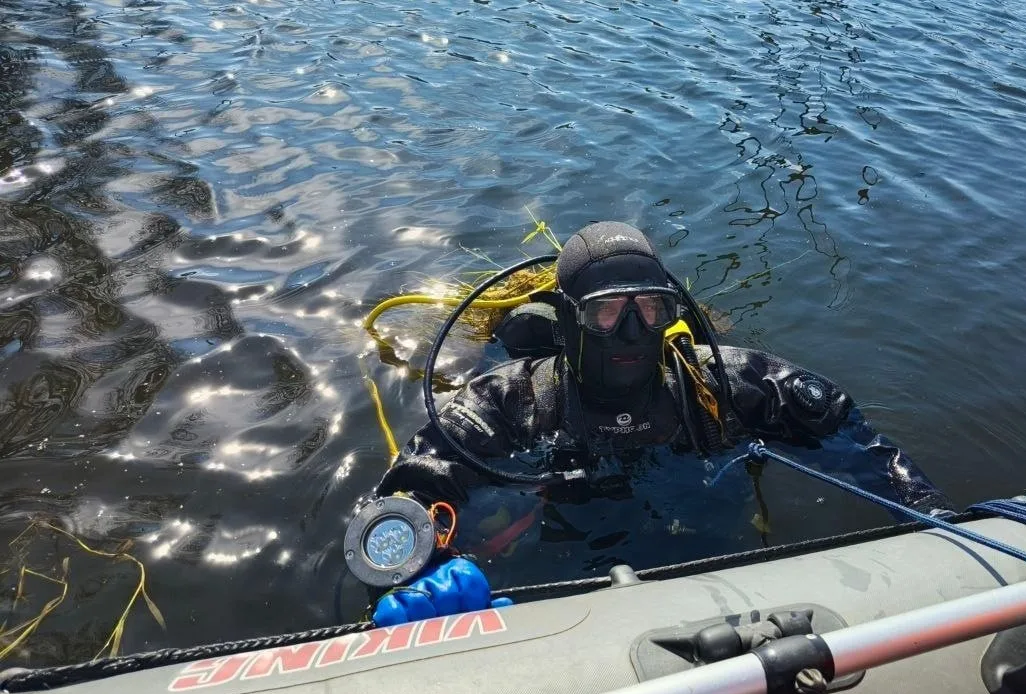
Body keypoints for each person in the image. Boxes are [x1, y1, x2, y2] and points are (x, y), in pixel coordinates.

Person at [355, 221, 954, 626]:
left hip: (711, 567)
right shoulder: (513, 400)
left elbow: (847, 432)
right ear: (567, 320)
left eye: (649, 308)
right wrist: (412, 570)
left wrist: (931, 516)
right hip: (566, 584)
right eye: (606, 312)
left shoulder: (717, 385)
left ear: (671, 310)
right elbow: (411, 486)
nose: (632, 331)